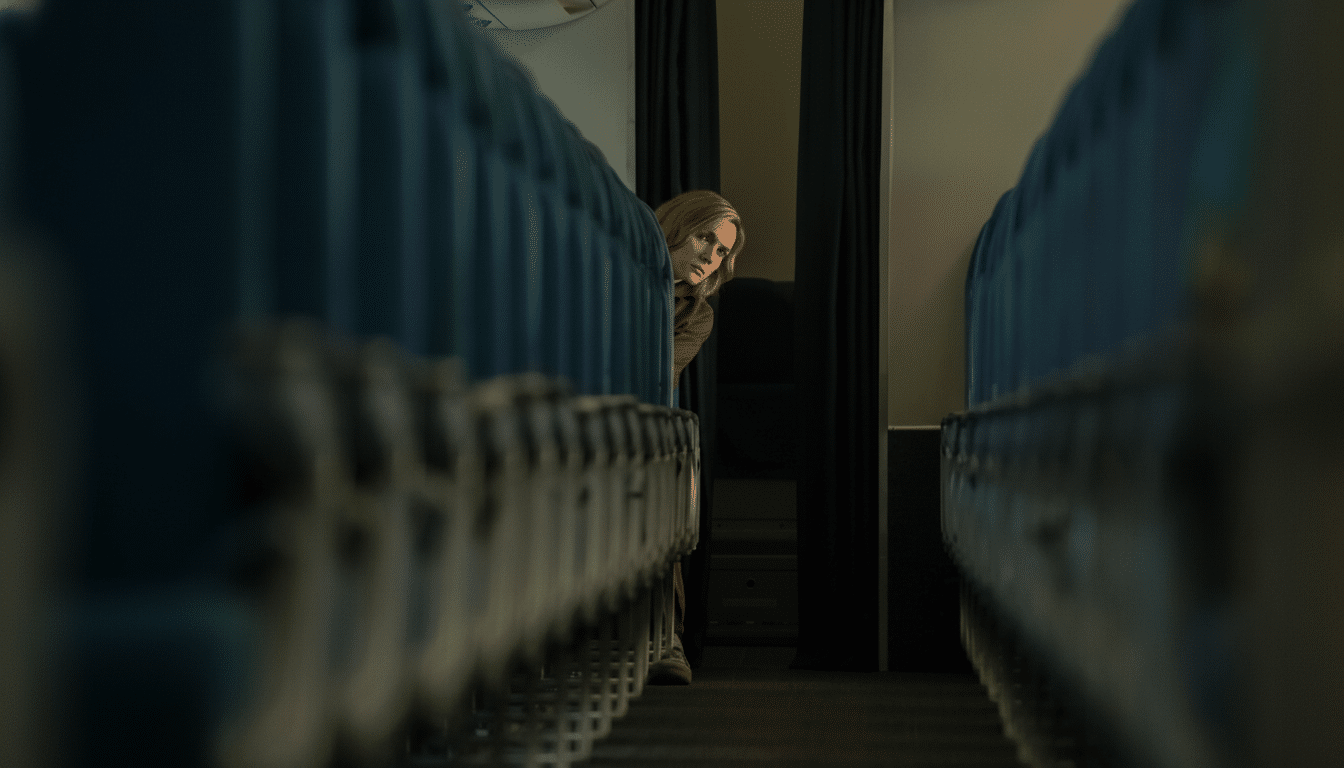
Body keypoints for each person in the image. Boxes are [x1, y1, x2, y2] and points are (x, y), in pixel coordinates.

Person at [644, 189, 744, 686]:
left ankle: (666, 636)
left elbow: (653, 375)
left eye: (722, 250)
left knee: (671, 466)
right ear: (677, 226)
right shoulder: (614, 271)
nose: (711, 255)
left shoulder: (696, 313)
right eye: (705, 237)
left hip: (643, 420)